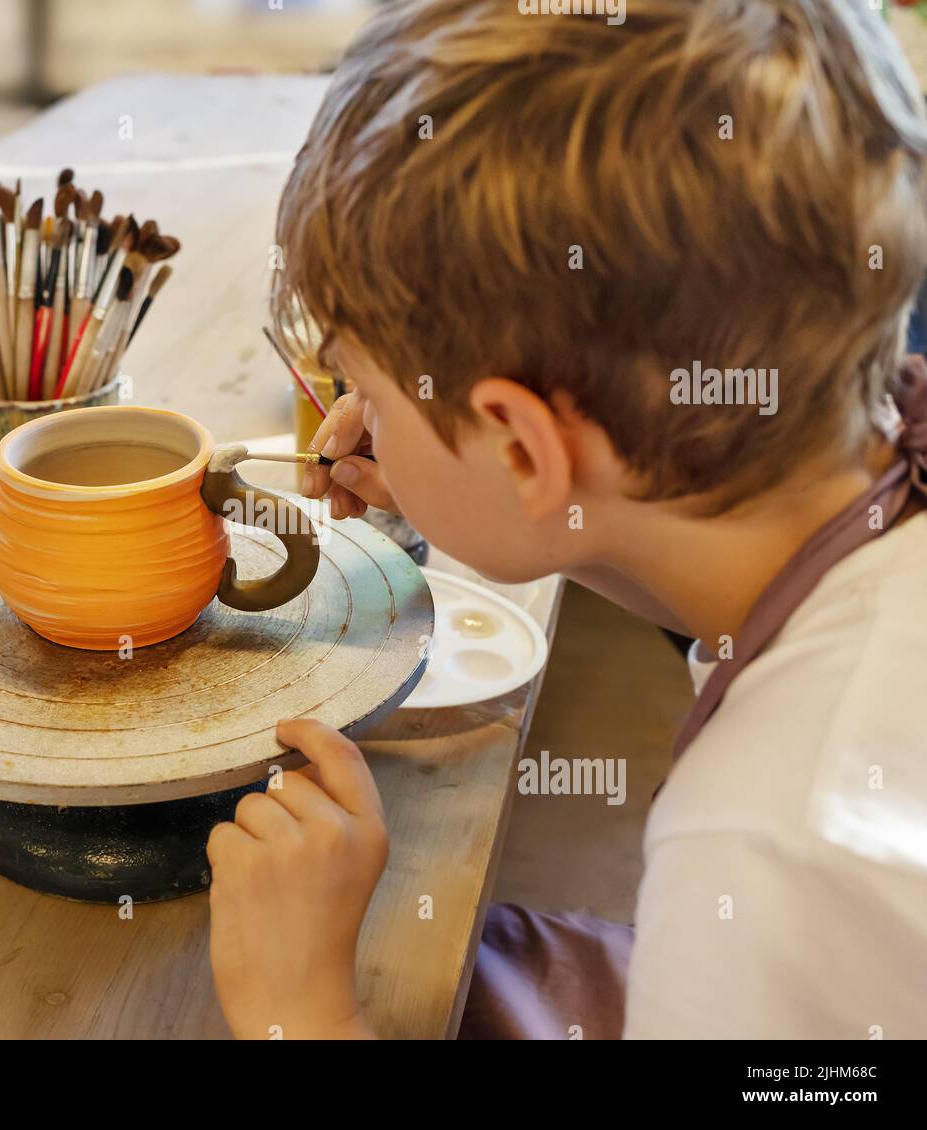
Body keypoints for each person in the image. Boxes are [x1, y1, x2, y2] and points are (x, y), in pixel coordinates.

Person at [205, 0, 927, 1039]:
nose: (349, 412)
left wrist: (301, 1008)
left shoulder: (773, 851)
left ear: (524, 446)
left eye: (360, 377)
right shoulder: (875, 454)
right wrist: (473, 487)